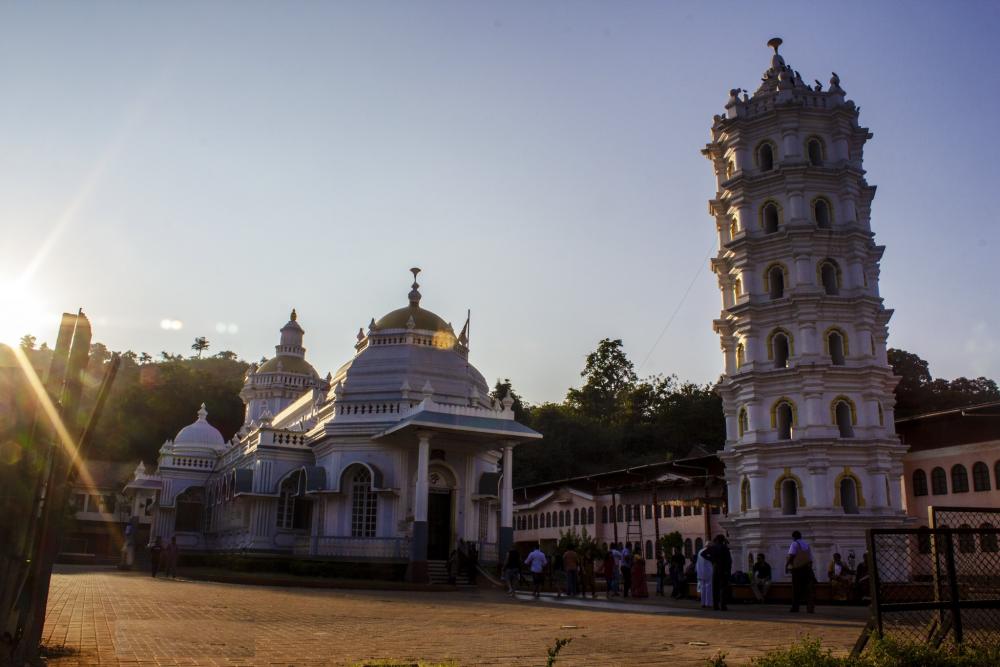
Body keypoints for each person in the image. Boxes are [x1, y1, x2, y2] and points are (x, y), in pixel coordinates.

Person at [786, 530, 815, 613]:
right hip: (807, 568)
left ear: (794, 537)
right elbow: (810, 558)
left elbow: (791, 555)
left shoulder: (794, 544)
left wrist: (787, 565)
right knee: (808, 589)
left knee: (796, 589)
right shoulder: (806, 544)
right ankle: (810, 608)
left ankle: (795, 607)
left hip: (797, 569)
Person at [705, 535, 731, 611]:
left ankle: (715, 605)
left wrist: (712, 560)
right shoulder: (724, 547)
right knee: (723, 587)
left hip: (715, 568)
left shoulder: (713, 547)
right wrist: (728, 570)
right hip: (723, 569)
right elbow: (728, 560)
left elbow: (703, 554)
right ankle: (723, 605)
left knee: (715, 588)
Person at [695, 544, 713, 608]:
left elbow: (697, 563)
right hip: (708, 572)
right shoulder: (709, 551)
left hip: (701, 572)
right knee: (708, 587)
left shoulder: (700, 551)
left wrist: (697, 571)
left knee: (702, 588)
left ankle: (702, 603)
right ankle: (708, 603)